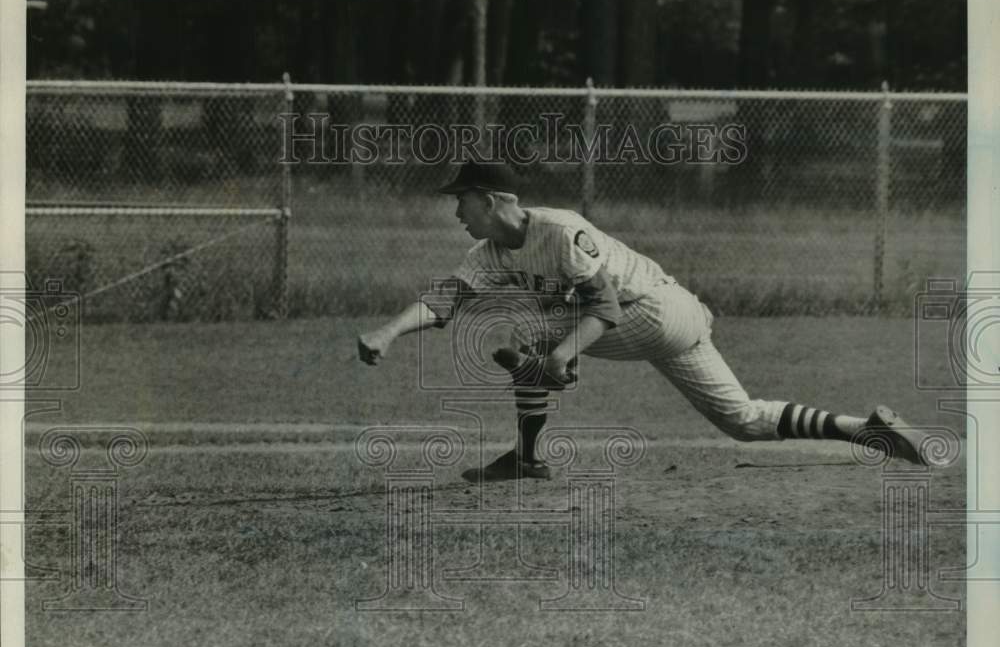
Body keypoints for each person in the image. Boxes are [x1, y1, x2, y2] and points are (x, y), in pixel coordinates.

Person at [357, 160, 929, 480]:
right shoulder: (488, 255)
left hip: (653, 309)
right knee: (744, 420)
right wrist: (388, 332)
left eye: (461, 201)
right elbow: (443, 300)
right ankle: (869, 429)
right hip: (664, 321)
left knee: (530, 333)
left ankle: (531, 449)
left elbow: (604, 306)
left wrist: (561, 355)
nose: (455, 212)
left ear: (489, 199)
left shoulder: (559, 230)